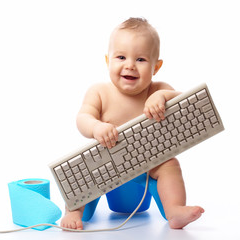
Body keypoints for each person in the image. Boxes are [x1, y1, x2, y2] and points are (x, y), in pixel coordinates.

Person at [60, 17, 204, 230]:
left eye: (141, 60)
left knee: (170, 165)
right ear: (108, 61)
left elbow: (186, 104)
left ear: (156, 67)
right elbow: (83, 119)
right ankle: (73, 211)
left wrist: (164, 96)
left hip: (148, 163)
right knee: (83, 170)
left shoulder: (158, 89)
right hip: (106, 163)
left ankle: (174, 210)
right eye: (121, 57)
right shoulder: (99, 92)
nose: (130, 65)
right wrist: (96, 127)